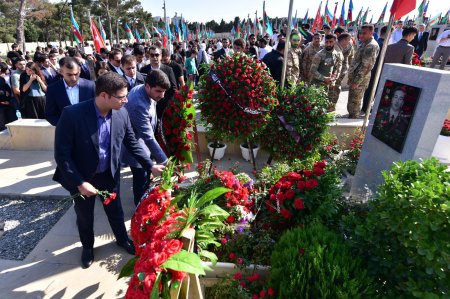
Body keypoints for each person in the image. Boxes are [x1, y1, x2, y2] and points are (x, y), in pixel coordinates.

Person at [53, 72, 165, 269]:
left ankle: (122, 239)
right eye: (121, 97)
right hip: (82, 178)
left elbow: (132, 143)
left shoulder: (122, 113)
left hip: (109, 175)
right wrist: (80, 183)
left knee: (116, 211)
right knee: (85, 215)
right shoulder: (72, 115)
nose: (126, 100)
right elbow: (62, 156)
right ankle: (87, 247)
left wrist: (150, 165)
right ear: (104, 96)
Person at [122, 70, 169, 206]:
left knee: (145, 177)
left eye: (164, 91)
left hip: (143, 144)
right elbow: (148, 138)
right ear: (147, 86)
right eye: (159, 91)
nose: (162, 96)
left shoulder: (146, 90)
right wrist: (165, 161)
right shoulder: (138, 104)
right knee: (140, 180)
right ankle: (140, 207)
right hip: (137, 148)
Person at [45, 57, 96, 126]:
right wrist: (65, 126)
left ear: (80, 70)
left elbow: (97, 109)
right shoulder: (52, 89)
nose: (74, 78)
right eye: (69, 75)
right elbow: (50, 114)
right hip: (66, 133)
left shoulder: (90, 86)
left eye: (76, 74)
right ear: (61, 71)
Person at [347, 24, 380, 118]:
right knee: (352, 101)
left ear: (371, 33)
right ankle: (352, 117)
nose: (361, 35)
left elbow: (366, 66)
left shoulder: (371, 46)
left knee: (355, 103)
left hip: (359, 80)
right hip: (356, 77)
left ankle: (352, 123)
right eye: (360, 33)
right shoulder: (365, 43)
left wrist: (356, 82)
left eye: (364, 33)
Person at [140, 46, 177, 118]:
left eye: (157, 55)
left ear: (161, 56)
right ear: (149, 56)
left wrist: (168, 104)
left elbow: (173, 88)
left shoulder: (168, 70)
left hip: (164, 106)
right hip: (147, 106)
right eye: (152, 55)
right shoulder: (143, 70)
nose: (154, 57)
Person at [310, 34, 343, 110]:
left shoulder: (336, 54)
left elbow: (337, 67)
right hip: (318, 85)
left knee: (328, 107)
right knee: (316, 108)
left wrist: (335, 75)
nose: (328, 44)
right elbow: (313, 70)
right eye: (327, 42)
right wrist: (324, 78)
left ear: (335, 42)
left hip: (330, 85)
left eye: (331, 42)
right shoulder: (319, 55)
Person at [372, 87, 410, 151]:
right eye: (395, 97)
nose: (397, 101)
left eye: (400, 99)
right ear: (392, 99)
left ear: (402, 103)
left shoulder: (404, 121)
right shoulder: (380, 112)